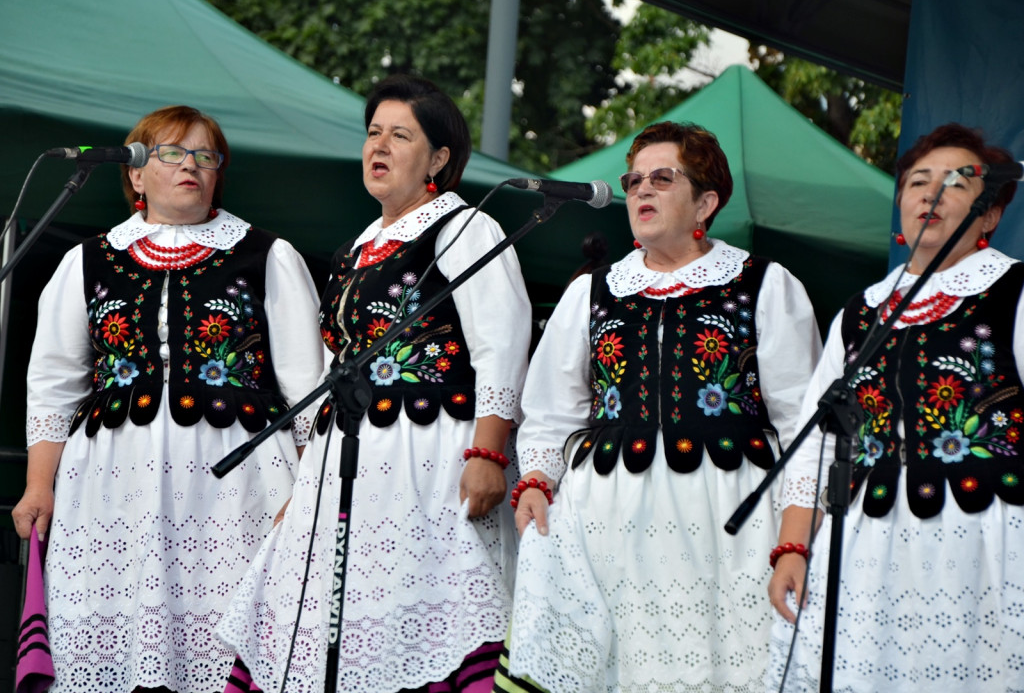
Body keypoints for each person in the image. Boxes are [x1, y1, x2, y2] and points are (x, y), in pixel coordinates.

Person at [217, 74, 533, 693]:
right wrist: (309, 479)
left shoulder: (464, 228)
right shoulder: (359, 245)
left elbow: (504, 345)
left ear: (438, 158)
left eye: (399, 135)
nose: (378, 146)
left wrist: (490, 453)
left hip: (430, 452)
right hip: (351, 455)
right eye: (372, 133)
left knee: (417, 614)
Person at [497, 121, 822, 693]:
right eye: (634, 179)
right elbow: (551, 413)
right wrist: (536, 482)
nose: (641, 190)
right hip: (607, 519)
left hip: (728, 523)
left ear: (706, 200)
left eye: (662, 178)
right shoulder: (593, 291)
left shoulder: (763, 284)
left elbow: (805, 425)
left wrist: (795, 537)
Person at [10, 105, 324, 692]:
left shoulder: (268, 256)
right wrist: (37, 485)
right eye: (173, 153)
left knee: (229, 640)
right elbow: (53, 383)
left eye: (206, 156)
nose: (192, 166)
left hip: (238, 486)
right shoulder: (87, 261)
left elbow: (309, 388)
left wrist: (311, 491)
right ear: (134, 174)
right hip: (109, 486)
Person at [766, 123, 1024, 692]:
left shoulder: (1013, 291)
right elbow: (818, 443)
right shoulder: (860, 313)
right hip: (869, 542)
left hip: (988, 542)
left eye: (957, 184)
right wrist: (792, 545)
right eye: (917, 182)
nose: (931, 195)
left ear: (989, 215)